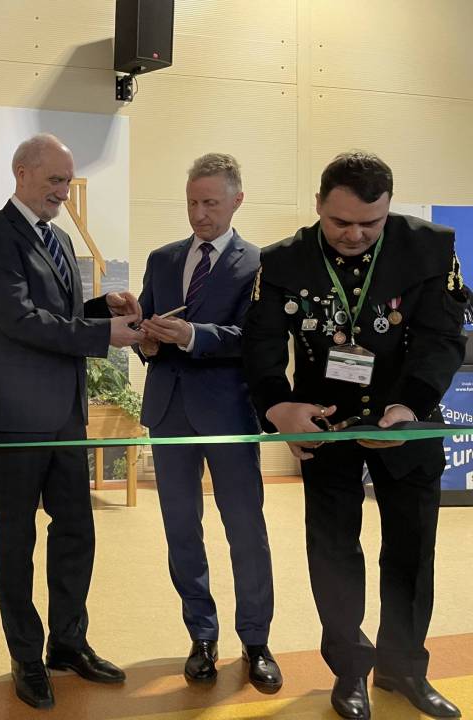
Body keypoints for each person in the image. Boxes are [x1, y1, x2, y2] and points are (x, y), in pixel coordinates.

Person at [243, 151, 465, 719]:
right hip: (325, 426)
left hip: (407, 420)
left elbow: (442, 338)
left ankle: (404, 668)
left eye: (371, 222)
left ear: (389, 208)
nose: (355, 234)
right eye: (340, 221)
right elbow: (261, 347)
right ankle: (349, 671)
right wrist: (278, 408)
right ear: (318, 203)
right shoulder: (282, 261)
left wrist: (410, 407)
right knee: (334, 551)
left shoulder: (430, 248)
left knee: (412, 549)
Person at [0, 133, 143, 710]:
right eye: (55, 181)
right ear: (21, 172)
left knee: (76, 530)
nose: (64, 192)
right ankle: (25, 654)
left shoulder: (60, 239)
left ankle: (68, 642)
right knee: (15, 538)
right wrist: (102, 334)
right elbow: (20, 320)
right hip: (17, 415)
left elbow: (57, 315)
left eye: (68, 182)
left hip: (67, 411)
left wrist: (99, 309)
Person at [135, 153, 281, 692]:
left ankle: (256, 640)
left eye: (211, 203)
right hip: (168, 410)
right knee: (181, 530)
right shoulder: (162, 259)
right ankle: (201, 635)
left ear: (237, 200)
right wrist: (147, 341)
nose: (199, 214)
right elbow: (146, 329)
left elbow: (257, 340)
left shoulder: (261, 264)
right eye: (192, 202)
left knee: (245, 528)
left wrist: (194, 336)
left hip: (228, 412)